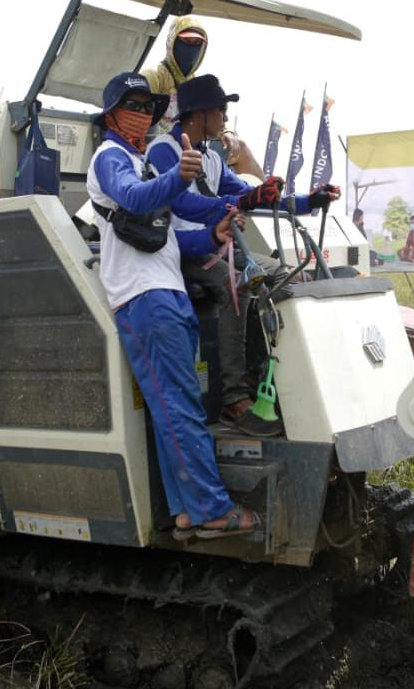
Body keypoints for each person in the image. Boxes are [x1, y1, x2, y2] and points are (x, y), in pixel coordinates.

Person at [88, 71, 260, 540]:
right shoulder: (110, 159)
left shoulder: (142, 163)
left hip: (164, 292)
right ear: (111, 115)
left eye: (149, 107)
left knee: (172, 407)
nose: (143, 114)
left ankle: (186, 510)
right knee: (181, 405)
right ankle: (211, 509)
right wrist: (178, 176)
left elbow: (171, 236)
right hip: (145, 297)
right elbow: (134, 199)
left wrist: (215, 234)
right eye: (133, 105)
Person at [145, 74, 340, 436]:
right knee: (237, 284)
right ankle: (234, 398)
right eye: (220, 109)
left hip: (217, 246)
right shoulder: (163, 150)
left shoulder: (212, 158)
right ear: (199, 113)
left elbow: (252, 196)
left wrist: (309, 200)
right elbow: (183, 205)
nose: (224, 117)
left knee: (288, 275)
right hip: (180, 250)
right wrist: (240, 201)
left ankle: (275, 377)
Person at [141, 17, 261, 177]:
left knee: (240, 148)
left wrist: (227, 132)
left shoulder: (197, 83)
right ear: (172, 42)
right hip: (162, 147)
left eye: (197, 43)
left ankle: (270, 191)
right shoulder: (153, 76)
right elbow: (141, 118)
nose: (192, 48)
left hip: (194, 144)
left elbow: (211, 117)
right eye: (186, 41)